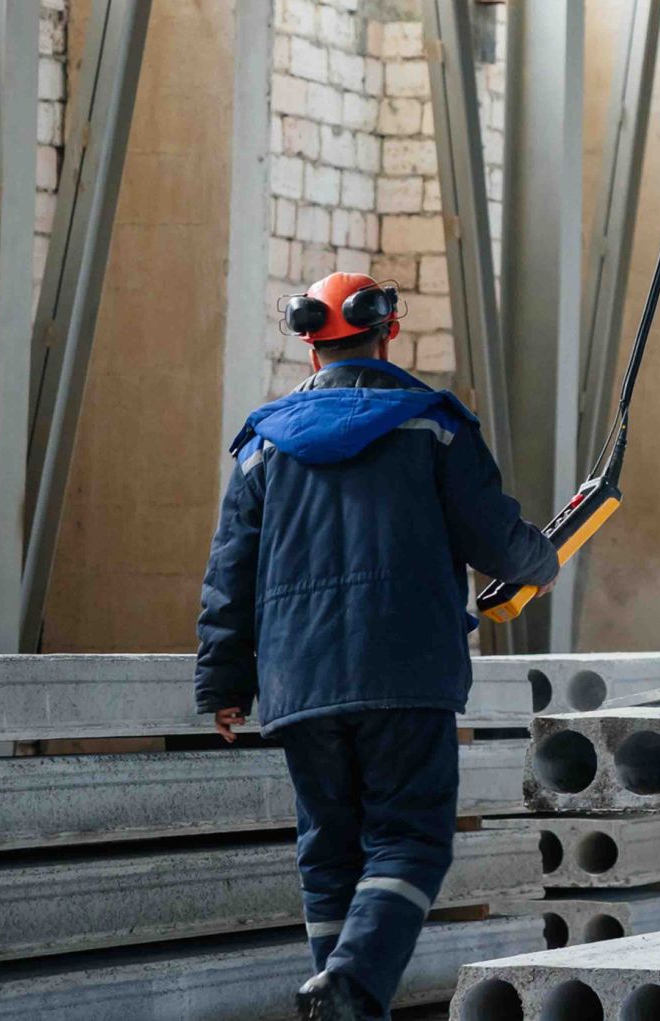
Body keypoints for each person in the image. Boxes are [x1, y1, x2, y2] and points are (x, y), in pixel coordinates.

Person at [195, 273, 560, 1021]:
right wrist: (540, 562)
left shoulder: (263, 444)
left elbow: (229, 571)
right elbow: (494, 535)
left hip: (299, 684)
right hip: (406, 672)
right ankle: (353, 981)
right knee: (410, 842)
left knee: (330, 854)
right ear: (388, 332)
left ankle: (339, 998)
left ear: (309, 346)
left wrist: (222, 681)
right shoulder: (432, 425)